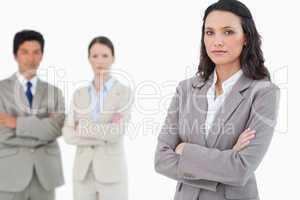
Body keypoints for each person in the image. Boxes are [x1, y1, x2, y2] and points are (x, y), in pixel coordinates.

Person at [154, 0, 280, 199]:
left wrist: (185, 150)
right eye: (210, 32)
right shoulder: (185, 89)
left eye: (228, 32)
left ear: (246, 37)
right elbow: (161, 160)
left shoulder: (263, 92)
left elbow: (241, 169)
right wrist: (228, 158)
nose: (217, 41)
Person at [63, 36, 133, 200]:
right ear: (88, 59)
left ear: (113, 58)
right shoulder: (79, 94)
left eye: (105, 55)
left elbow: (117, 132)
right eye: (95, 56)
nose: (99, 61)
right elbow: (67, 134)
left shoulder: (123, 93)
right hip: (82, 173)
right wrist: (104, 136)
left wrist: (82, 128)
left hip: (112, 173)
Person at [0, 30, 65, 200]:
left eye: (36, 52)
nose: (31, 58)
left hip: (45, 175)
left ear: (42, 55)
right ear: (15, 55)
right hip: (9, 174)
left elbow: (56, 129)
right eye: (25, 52)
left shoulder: (54, 92)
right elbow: (3, 134)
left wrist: (15, 122)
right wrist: (42, 130)